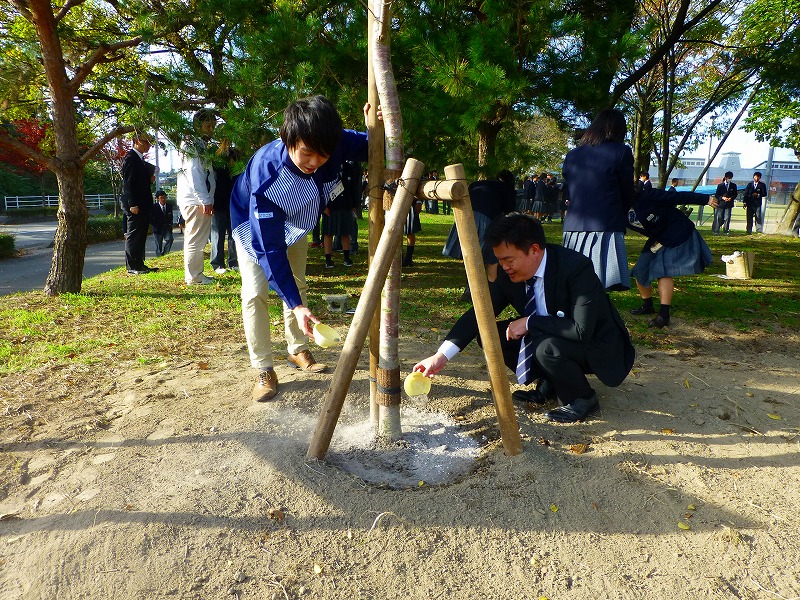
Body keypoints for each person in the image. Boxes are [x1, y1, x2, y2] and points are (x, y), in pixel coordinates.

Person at [414, 213, 635, 423]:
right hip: (552, 336)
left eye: (509, 260)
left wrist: (529, 322)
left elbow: (581, 330)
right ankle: (550, 381)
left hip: (596, 343)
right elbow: (480, 314)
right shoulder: (508, 274)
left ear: (534, 250)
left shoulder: (576, 268)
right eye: (499, 260)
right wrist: (441, 356)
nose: (504, 267)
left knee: (547, 347)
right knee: (493, 336)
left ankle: (582, 398)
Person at [230, 95, 375, 402]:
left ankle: (297, 349)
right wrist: (295, 306)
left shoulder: (329, 142)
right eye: (307, 154)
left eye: (323, 156)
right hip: (253, 221)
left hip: (299, 215)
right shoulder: (267, 176)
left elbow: (372, 147)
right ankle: (264, 368)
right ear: (288, 139)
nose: (315, 163)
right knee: (256, 291)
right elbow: (269, 249)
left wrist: (375, 129)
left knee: (297, 283)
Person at [562, 109, 636, 291]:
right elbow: (627, 191)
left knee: (575, 281)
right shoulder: (621, 152)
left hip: (573, 226)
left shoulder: (573, 155)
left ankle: (579, 317)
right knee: (599, 283)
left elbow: (569, 189)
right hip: (605, 223)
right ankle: (593, 318)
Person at [629, 189, 717, 328]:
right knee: (640, 270)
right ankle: (648, 306)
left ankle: (664, 316)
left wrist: (705, 199)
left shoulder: (647, 195)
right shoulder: (618, 210)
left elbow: (677, 197)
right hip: (658, 237)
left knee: (662, 271)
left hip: (677, 230)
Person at [442, 170, 517, 300]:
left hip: (465, 218)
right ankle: (493, 292)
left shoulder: (477, 184)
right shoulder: (507, 188)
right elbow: (510, 211)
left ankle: (468, 290)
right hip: (487, 221)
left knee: (471, 254)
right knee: (491, 258)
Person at [177, 108, 217, 285]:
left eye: (212, 125)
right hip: (196, 200)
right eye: (208, 126)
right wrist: (205, 199)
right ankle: (194, 276)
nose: (211, 129)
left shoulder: (196, 143)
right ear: (197, 125)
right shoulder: (193, 144)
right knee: (196, 240)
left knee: (195, 239)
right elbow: (195, 172)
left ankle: (194, 274)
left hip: (195, 199)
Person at [120, 131, 156, 275]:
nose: (148, 145)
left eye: (149, 142)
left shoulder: (139, 159)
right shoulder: (131, 158)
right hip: (135, 205)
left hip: (143, 204)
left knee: (141, 235)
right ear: (136, 141)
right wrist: (132, 203)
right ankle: (132, 266)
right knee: (134, 235)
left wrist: (149, 179)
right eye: (145, 141)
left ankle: (139, 263)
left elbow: (139, 181)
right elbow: (128, 183)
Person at [322, 160, 358, 269]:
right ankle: (328, 259)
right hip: (330, 206)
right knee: (328, 233)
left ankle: (347, 258)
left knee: (345, 232)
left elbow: (353, 187)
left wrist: (354, 205)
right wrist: (324, 206)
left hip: (345, 205)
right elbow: (321, 187)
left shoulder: (348, 167)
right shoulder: (326, 166)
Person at [210, 141, 239, 274]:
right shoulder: (214, 156)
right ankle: (217, 263)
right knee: (218, 233)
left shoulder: (236, 155)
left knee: (234, 234)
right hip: (219, 201)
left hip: (233, 200)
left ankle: (233, 262)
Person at [149, 189, 174, 257]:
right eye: (161, 198)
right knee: (158, 244)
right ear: (157, 199)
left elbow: (170, 216)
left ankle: (165, 253)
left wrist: (170, 224)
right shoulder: (154, 207)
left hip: (167, 227)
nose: (163, 199)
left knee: (170, 239)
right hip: (157, 229)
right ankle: (159, 256)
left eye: (164, 197)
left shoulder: (169, 206)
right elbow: (151, 218)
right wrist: (155, 225)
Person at [712, 171, 737, 235]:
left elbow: (735, 194)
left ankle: (726, 231)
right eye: (728, 177)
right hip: (721, 204)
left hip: (729, 204)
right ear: (725, 177)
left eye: (731, 178)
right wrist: (722, 198)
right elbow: (717, 195)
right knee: (719, 217)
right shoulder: (720, 186)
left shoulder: (733, 186)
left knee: (727, 217)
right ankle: (716, 231)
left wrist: (731, 198)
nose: (729, 179)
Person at [402, 196, 423, 267]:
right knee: (395, 232)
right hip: (394, 203)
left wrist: (419, 202)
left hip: (411, 204)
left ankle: (408, 258)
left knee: (410, 232)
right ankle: (400, 257)